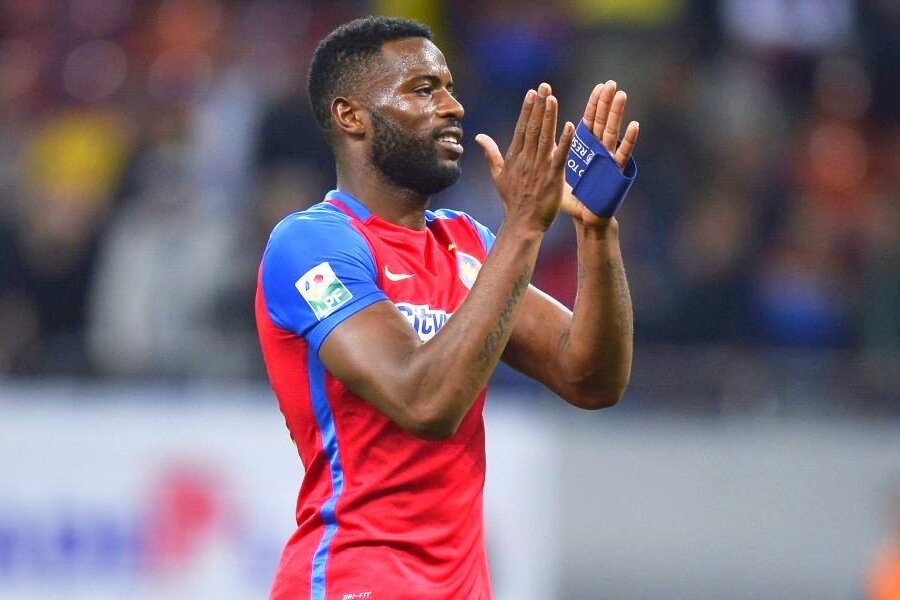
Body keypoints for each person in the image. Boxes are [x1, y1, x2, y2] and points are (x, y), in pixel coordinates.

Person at [255, 16, 638, 600]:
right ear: (351, 116)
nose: (453, 107)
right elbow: (423, 400)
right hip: (355, 580)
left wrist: (595, 228)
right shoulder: (311, 244)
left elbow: (592, 378)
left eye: (450, 87)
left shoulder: (465, 244)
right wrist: (523, 226)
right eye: (423, 89)